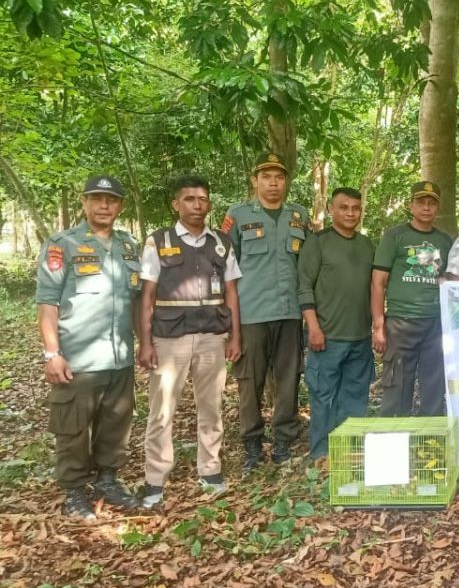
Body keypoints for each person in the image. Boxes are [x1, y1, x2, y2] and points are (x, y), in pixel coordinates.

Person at [36, 175, 143, 518]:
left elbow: (138, 301)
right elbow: (47, 302)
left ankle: (108, 480)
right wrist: (52, 353)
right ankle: (74, 491)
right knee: (73, 428)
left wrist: (145, 343)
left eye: (111, 200)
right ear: (84, 202)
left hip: (119, 356)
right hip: (78, 358)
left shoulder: (129, 246)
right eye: (96, 199)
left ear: (120, 206)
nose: (104, 205)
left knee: (116, 422)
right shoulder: (62, 244)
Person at [139, 176, 241, 507]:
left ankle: (210, 470)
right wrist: (145, 341)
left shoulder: (221, 242)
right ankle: (155, 479)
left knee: (211, 406)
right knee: (162, 410)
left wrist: (235, 335)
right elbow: (148, 295)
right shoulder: (158, 241)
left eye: (202, 199)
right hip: (169, 338)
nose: (197, 205)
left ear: (209, 203)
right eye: (189, 199)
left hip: (212, 335)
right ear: (176, 204)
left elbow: (231, 292)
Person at [220, 152, 310, 469]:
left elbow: (307, 266)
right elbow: (225, 267)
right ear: (255, 180)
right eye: (266, 177)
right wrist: (229, 322)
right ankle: (252, 445)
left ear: (286, 181)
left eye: (279, 177)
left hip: (289, 313)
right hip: (251, 314)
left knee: (288, 379)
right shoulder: (239, 215)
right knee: (250, 382)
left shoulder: (299, 216)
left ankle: (283, 440)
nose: (273, 183)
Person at [298, 187, 374, 460]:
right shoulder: (317, 243)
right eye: (344, 207)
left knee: (355, 397)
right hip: (327, 336)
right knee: (323, 398)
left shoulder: (367, 245)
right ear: (332, 209)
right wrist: (314, 327)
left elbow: (375, 288)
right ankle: (321, 454)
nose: (351, 213)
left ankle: (349, 453)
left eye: (356, 208)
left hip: (360, 337)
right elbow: (304, 286)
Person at [372, 181, 454, 415]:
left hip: (435, 323)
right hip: (401, 322)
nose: (426, 208)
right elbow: (378, 282)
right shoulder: (396, 236)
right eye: (421, 202)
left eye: (431, 203)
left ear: (437, 208)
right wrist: (379, 325)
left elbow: (448, 279)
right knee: (397, 385)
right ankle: (393, 439)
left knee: (434, 386)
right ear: (411, 205)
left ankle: (429, 444)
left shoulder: (445, 241)